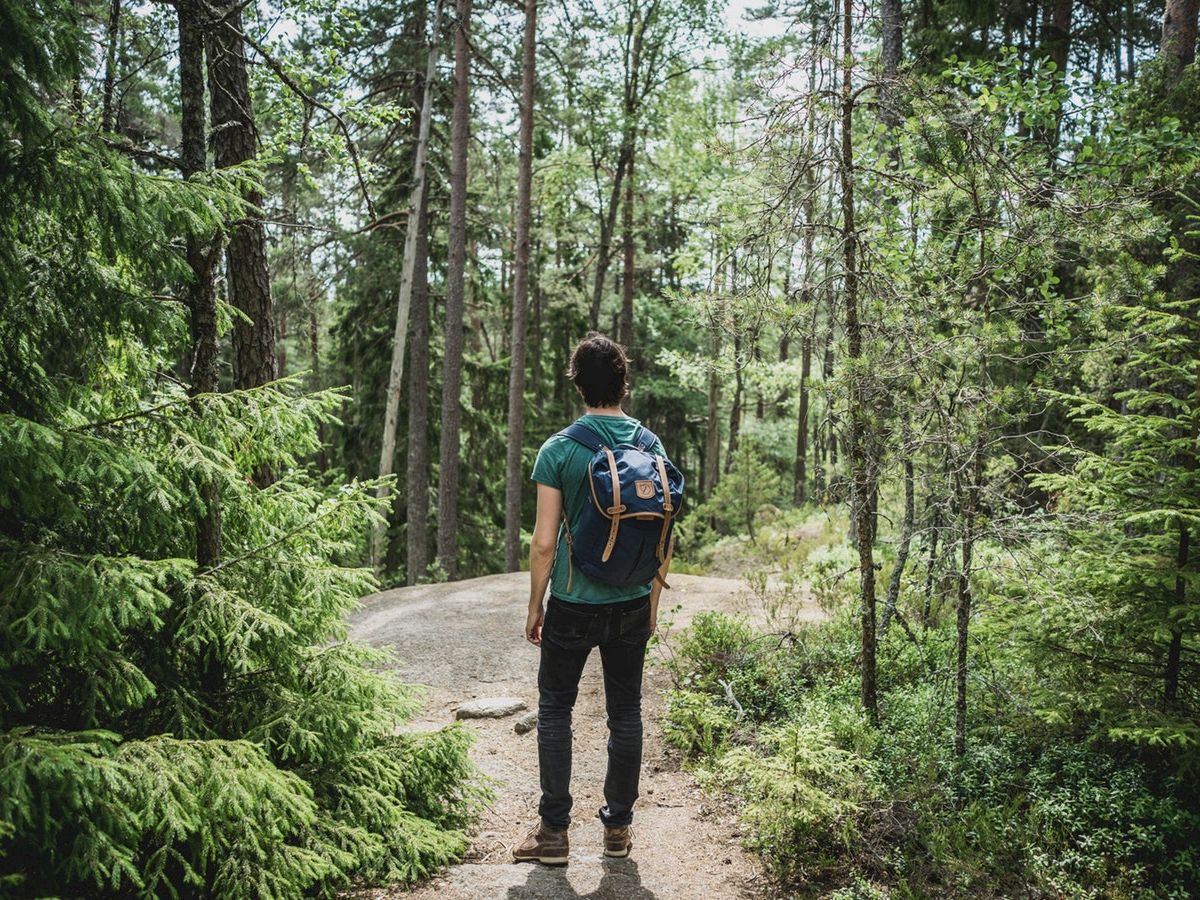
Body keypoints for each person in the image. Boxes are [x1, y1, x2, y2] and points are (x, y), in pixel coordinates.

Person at [513, 333, 674, 866]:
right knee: (625, 711)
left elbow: (543, 542)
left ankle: (554, 833)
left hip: (575, 601)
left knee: (556, 709)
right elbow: (662, 536)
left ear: (577, 383)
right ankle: (618, 831)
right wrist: (652, 602)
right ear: (623, 383)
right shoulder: (651, 447)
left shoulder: (560, 448)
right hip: (631, 600)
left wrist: (537, 603)